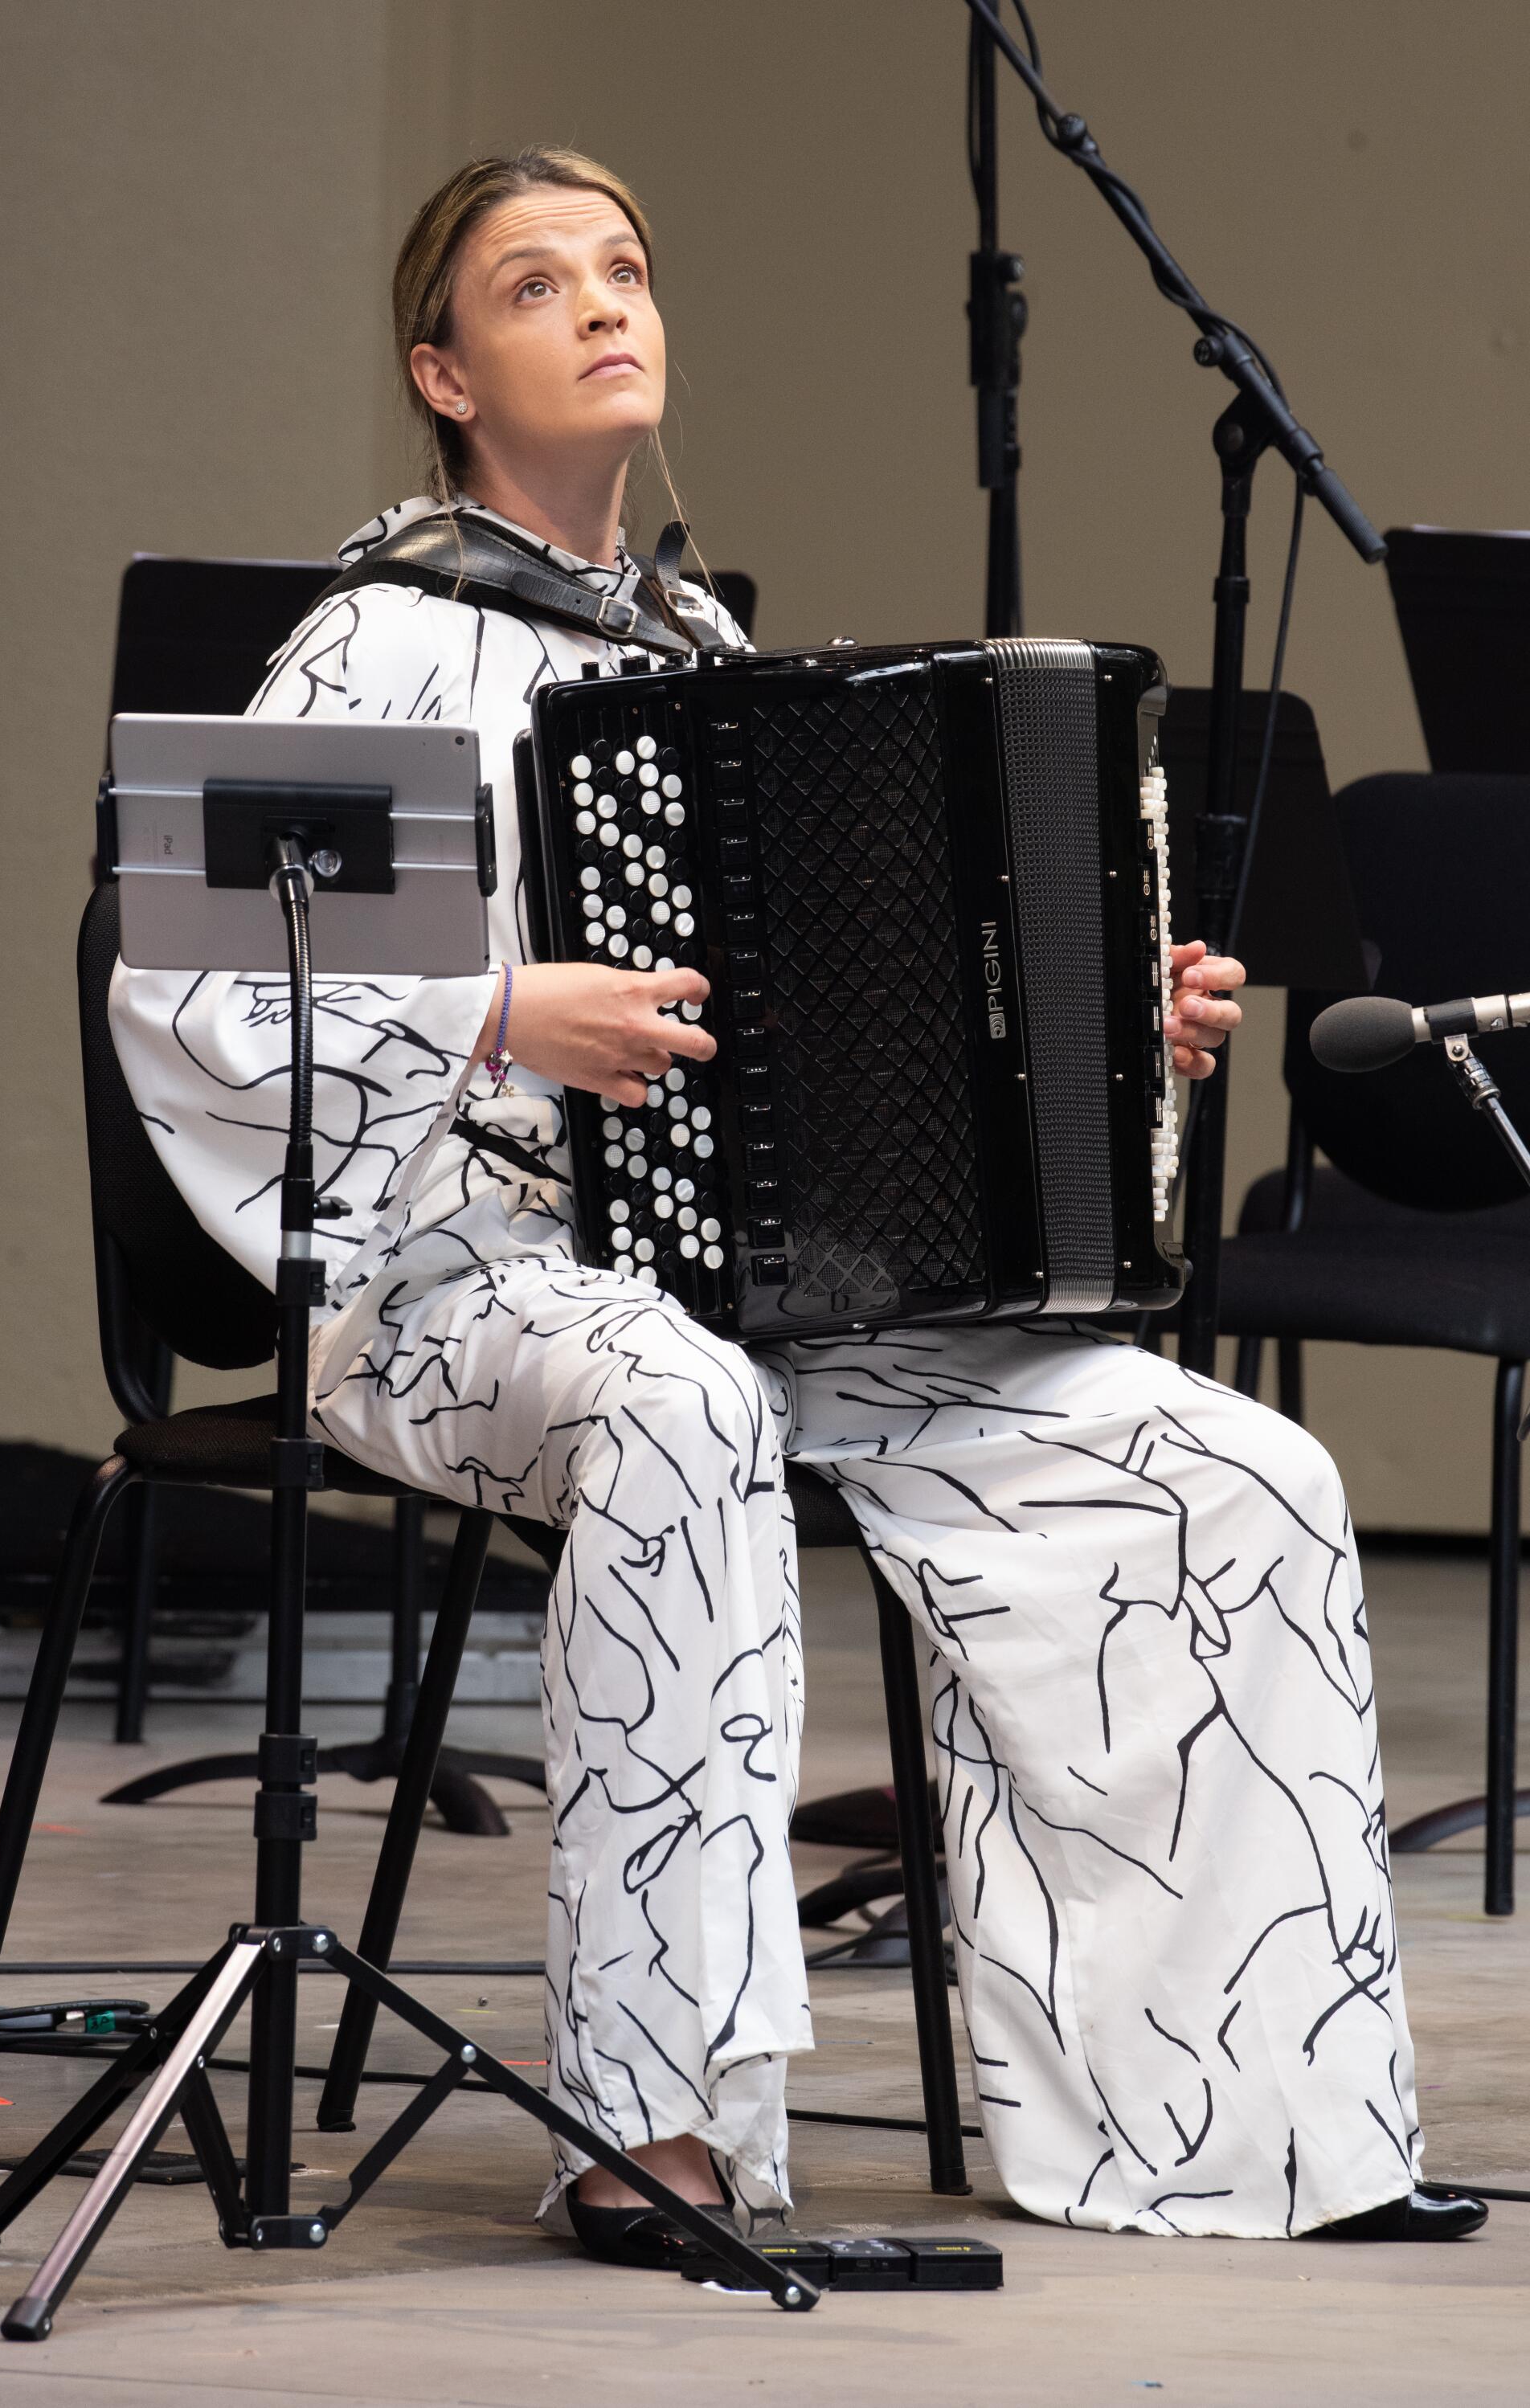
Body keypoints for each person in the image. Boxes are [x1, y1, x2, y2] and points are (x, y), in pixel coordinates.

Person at [109, 147, 1483, 2258]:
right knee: (681, 1413)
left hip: (756, 1287)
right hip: (449, 1287)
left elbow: (867, 1045)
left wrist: (1126, 1036)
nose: (599, 302)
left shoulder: (703, 653)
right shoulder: (375, 640)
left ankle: (1250, 2133)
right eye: (533, 281)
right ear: (441, 371)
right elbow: (189, 974)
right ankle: (649, 2143)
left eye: (626, 267)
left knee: (1228, 1471)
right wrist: (497, 1013)